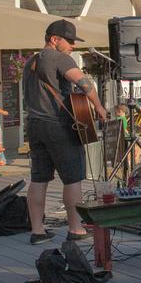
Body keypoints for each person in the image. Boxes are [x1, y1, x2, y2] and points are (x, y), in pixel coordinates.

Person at [23, 20, 108, 245]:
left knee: (39, 178)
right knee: (72, 178)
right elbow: (83, 83)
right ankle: (76, 229)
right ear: (54, 39)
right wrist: (99, 107)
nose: (72, 46)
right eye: (69, 41)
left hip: (34, 124)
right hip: (57, 124)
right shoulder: (59, 58)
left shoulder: (30, 61)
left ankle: (37, 231)